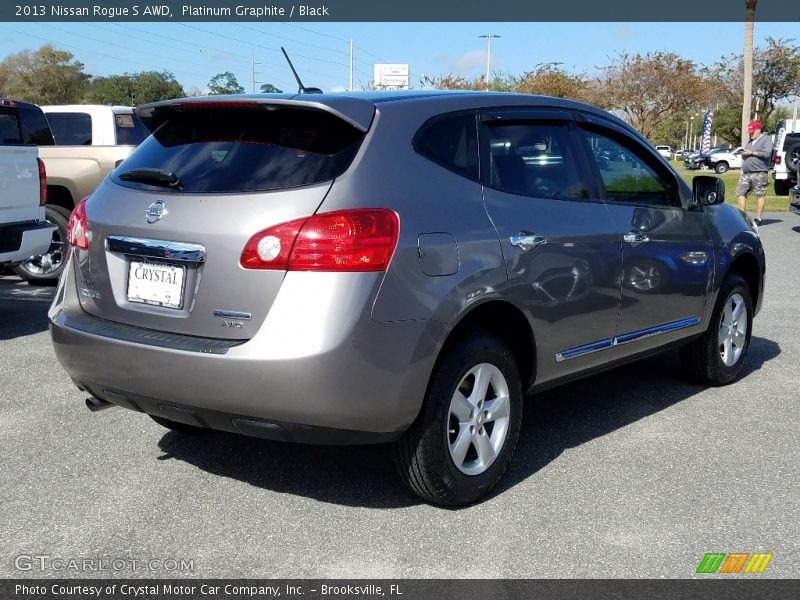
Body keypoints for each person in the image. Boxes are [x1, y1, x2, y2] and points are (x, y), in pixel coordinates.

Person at [736, 120, 773, 225]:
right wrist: (743, 153)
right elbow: (747, 153)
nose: (751, 134)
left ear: (759, 130)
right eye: (750, 132)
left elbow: (767, 153)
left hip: (759, 172)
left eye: (753, 131)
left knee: (760, 195)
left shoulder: (766, 139)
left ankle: (758, 219)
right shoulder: (750, 141)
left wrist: (752, 152)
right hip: (746, 172)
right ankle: (743, 218)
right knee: (740, 193)